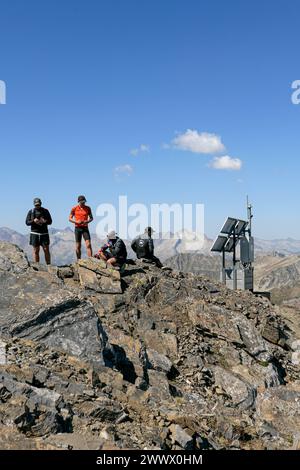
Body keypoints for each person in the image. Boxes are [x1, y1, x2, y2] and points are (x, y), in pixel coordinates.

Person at [25, 198, 52, 264]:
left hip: (44, 233)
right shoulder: (31, 211)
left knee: (46, 250)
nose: (37, 206)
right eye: (36, 205)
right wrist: (33, 221)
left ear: (41, 204)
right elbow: (27, 222)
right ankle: (37, 266)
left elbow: (50, 221)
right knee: (36, 250)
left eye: (38, 205)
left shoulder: (45, 211)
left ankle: (49, 265)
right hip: (34, 233)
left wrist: (44, 221)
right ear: (34, 204)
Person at [69, 195, 93, 259]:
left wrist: (87, 221)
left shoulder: (88, 208)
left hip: (85, 228)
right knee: (78, 246)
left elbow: (91, 218)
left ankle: (91, 260)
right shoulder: (74, 208)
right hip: (77, 228)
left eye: (84, 202)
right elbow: (70, 218)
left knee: (88, 244)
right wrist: (76, 222)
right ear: (79, 202)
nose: (83, 203)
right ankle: (79, 260)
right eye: (82, 202)